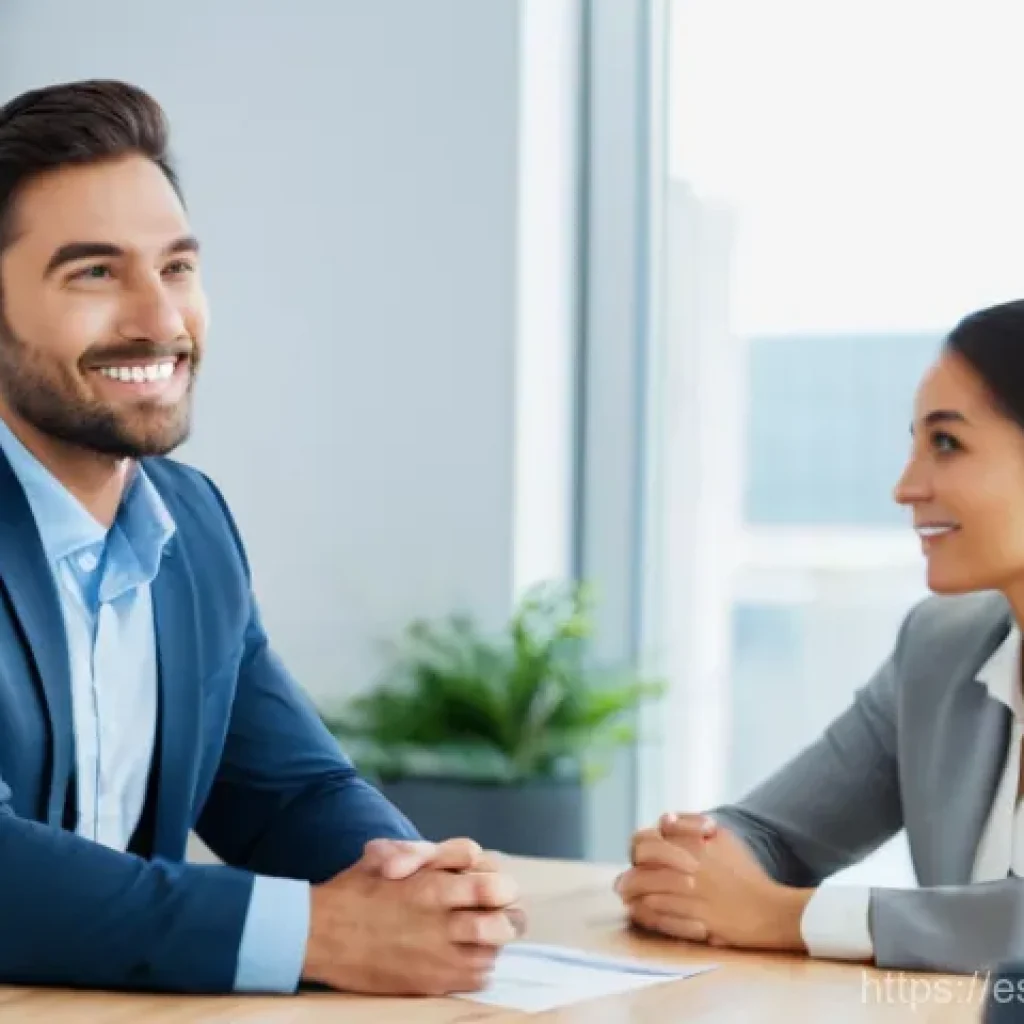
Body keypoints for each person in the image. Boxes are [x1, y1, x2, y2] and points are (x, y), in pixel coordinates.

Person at [0, 79, 523, 995]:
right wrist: (317, 935)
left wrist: (426, 888)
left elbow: (291, 793)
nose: (160, 321)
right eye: (94, 271)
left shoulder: (191, 527)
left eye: (176, 268)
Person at [616, 298, 1024, 974]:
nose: (905, 486)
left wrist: (787, 915)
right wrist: (690, 869)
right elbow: (771, 832)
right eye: (914, 442)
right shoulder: (943, 648)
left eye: (947, 443)